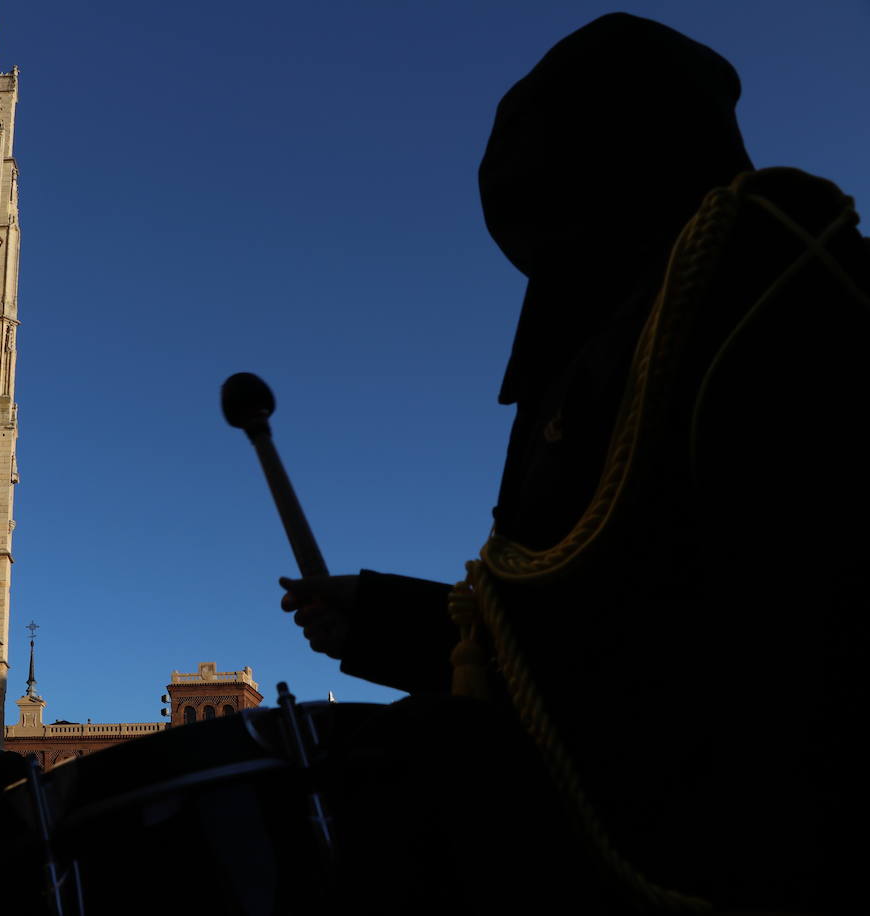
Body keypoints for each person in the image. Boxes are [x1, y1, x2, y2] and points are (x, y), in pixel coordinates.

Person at [281, 13, 869, 914]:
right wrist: (379, 619)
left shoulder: (765, 286)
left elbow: (648, 659)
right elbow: (563, 636)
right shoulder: (622, 333)